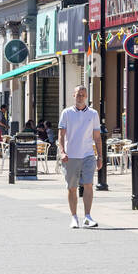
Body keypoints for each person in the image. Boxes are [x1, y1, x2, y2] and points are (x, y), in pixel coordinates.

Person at [59, 85, 103, 229]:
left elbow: (97, 138)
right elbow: (61, 135)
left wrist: (100, 156)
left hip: (88, 155)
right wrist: (62, 151)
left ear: (86, 97)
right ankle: (73, 217)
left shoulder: (93, 114)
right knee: (72, 188)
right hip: (71, 156)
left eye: (83, 95)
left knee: (88, 185)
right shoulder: (66, 113)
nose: (80, 97)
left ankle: (88, 216)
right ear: (74, 95)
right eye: (78, 94)